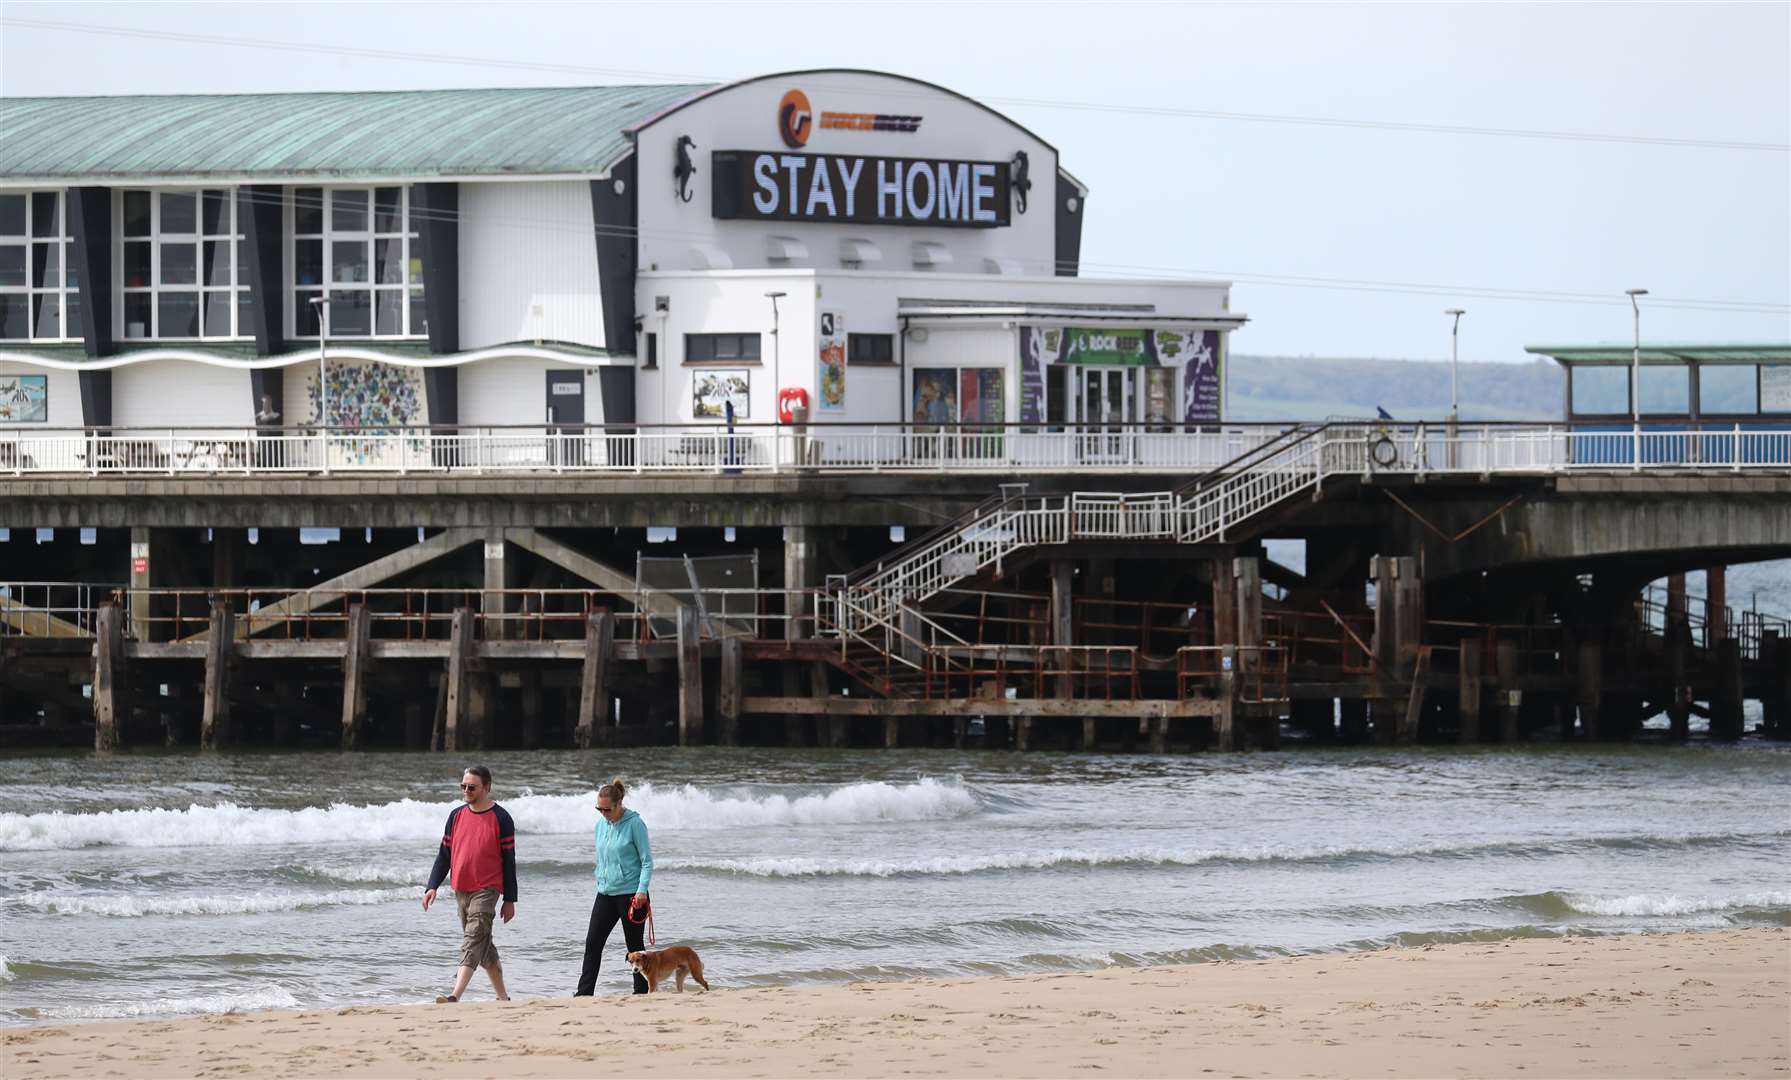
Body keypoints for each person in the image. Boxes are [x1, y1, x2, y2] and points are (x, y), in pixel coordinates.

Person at [423, 766, 518, 1003]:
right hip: (461, 888)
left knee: (473, 937)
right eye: (463, 786)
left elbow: (509, 861)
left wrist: (510, 899)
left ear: (486, 787)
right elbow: (444, 855)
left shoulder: (501, 818)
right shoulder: (455, 816)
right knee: (483, 945)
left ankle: (455, 994)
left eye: (472, 787)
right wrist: (432, 886)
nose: (466, 790)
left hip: (488, 888)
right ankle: (503, 998)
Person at [574, 777, 653, 996]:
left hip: (632, 895)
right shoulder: (600, 825)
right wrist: (600, 877)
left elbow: (647, 861)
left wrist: (641, 890)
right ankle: (584, 993)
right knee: (592, 943)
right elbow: (602, 858)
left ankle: (640, 992)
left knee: (635, 947)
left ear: (619, 804)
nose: (603, 813)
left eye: (607, 809)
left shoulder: (635, 823)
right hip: (606, 893)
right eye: (599, 809)